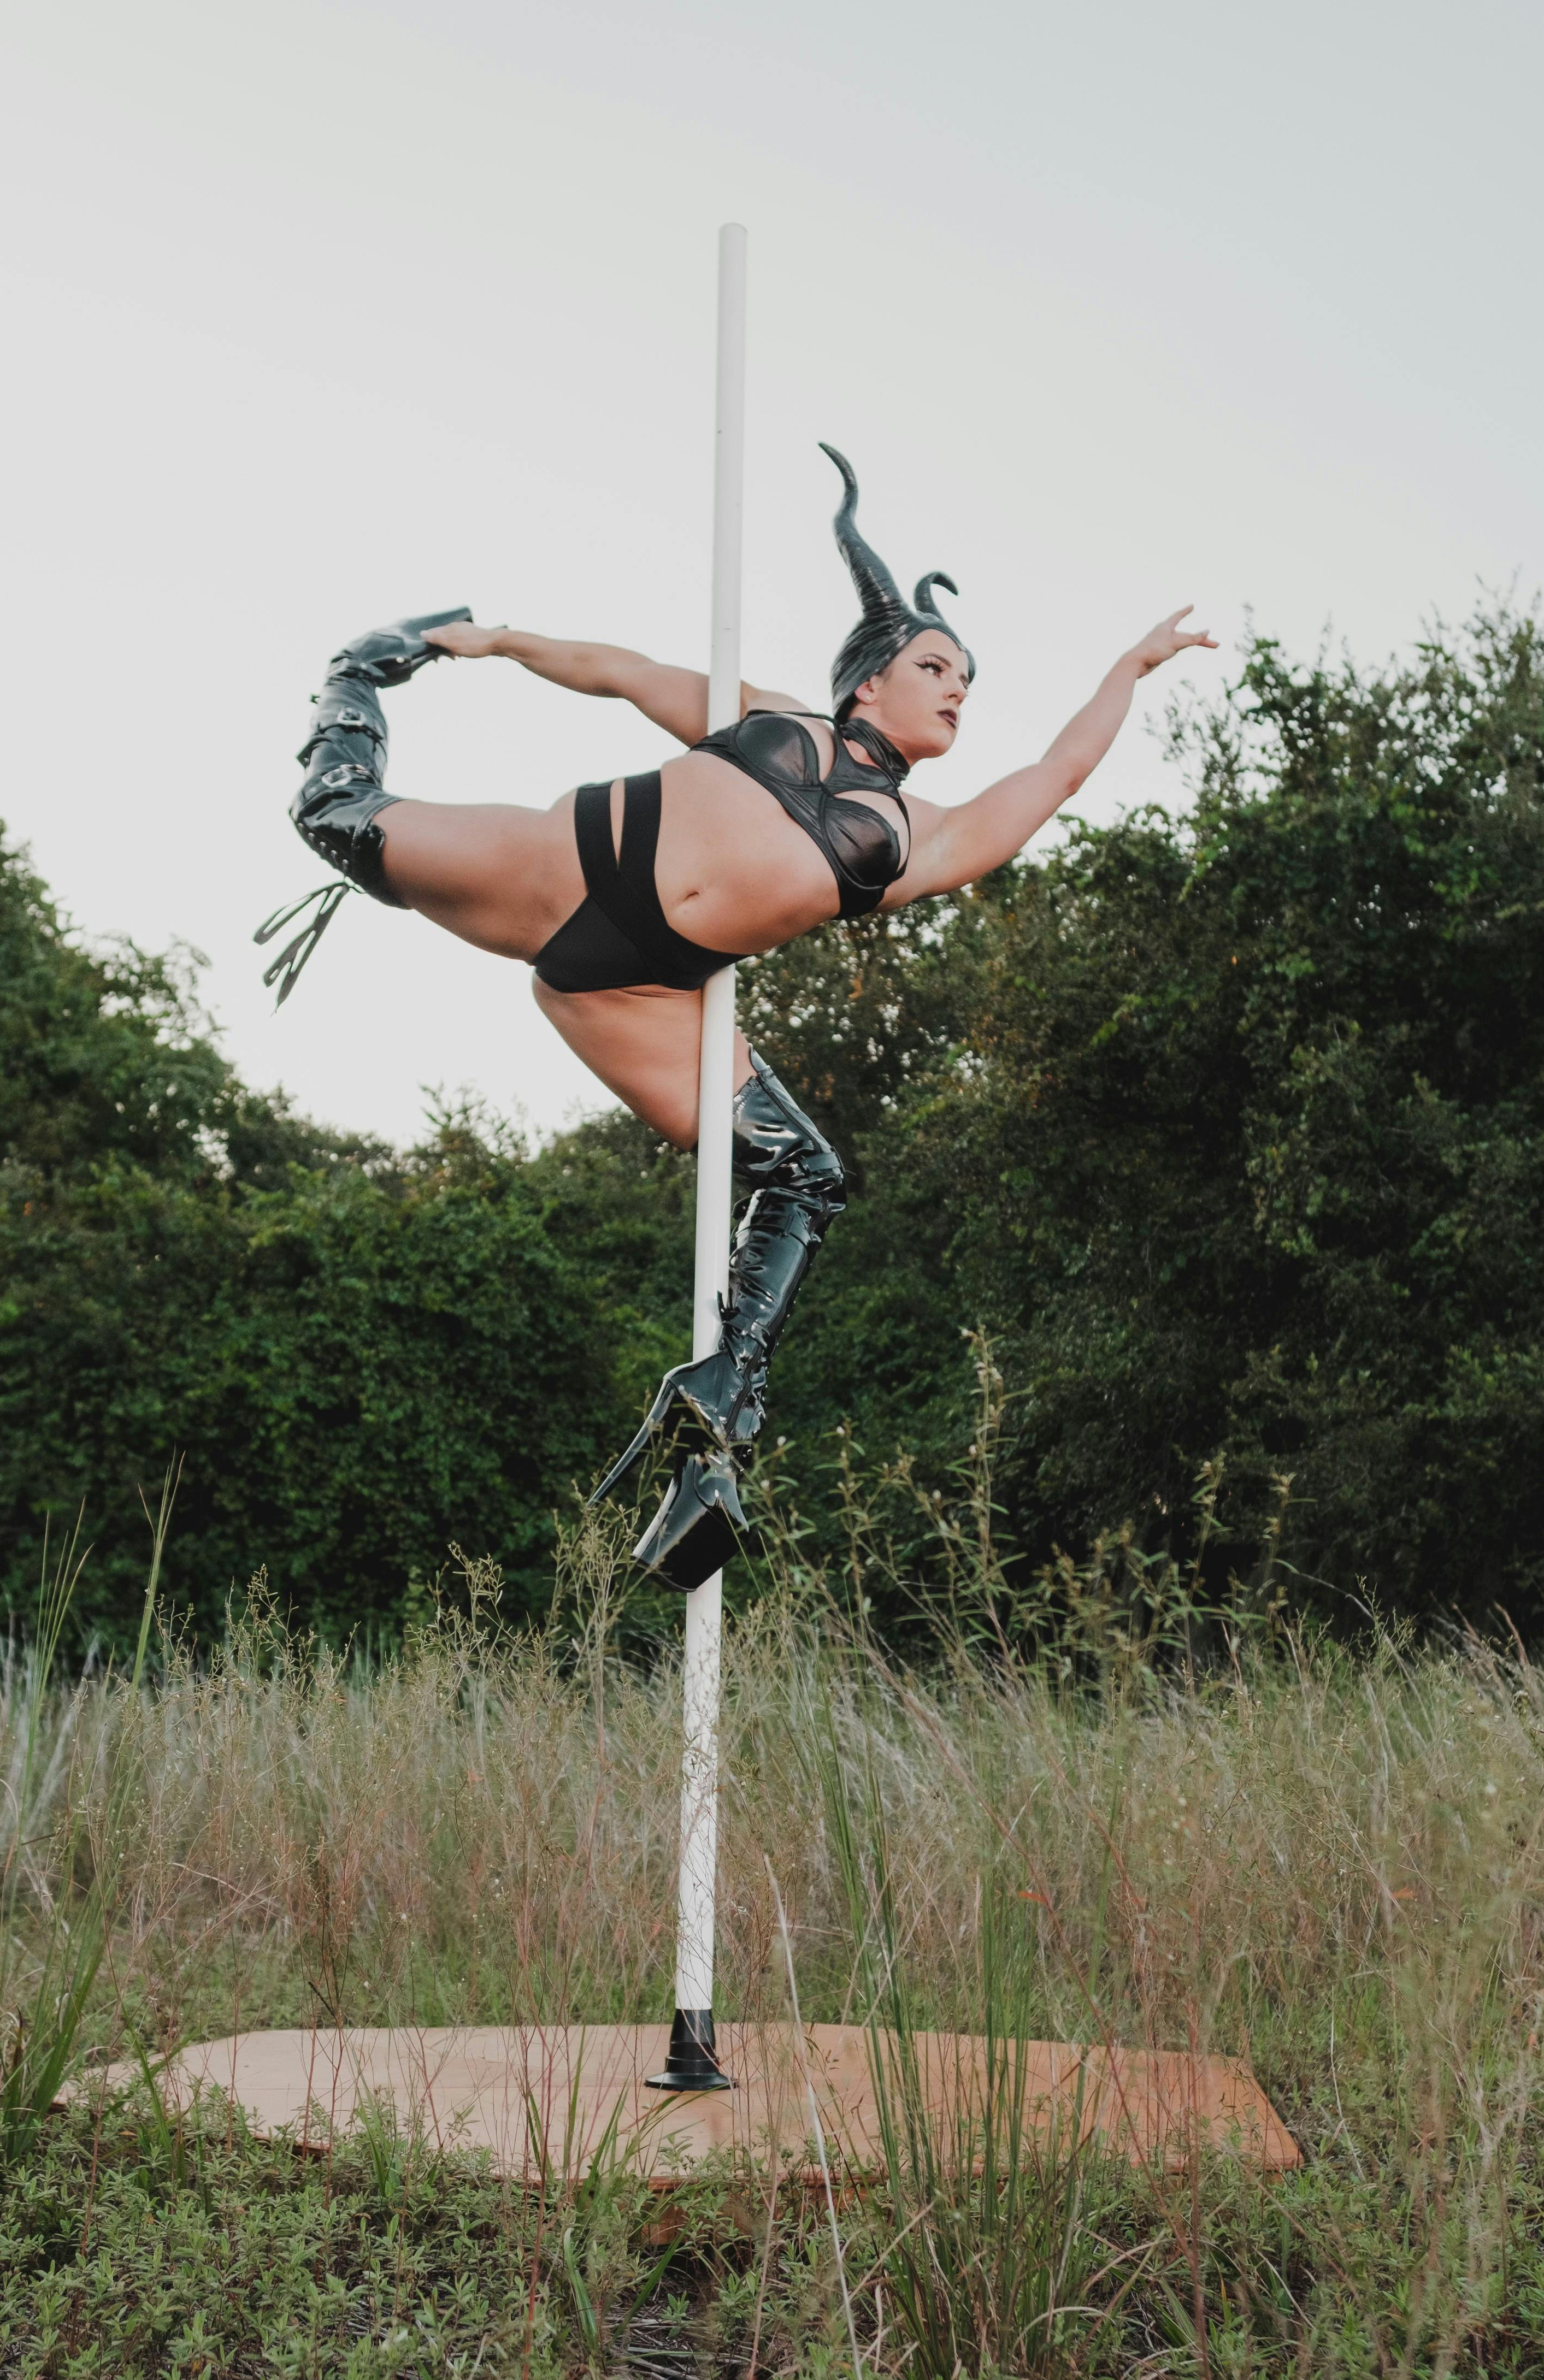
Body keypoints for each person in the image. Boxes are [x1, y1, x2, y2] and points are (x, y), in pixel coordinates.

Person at [257, 446, 1215, 1585]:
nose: (958, 690)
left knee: (806, 1175)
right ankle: (360, 660)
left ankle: (717, 1412)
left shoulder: (930, 839)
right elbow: (626, 672)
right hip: (559, 865)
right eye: (937, 666)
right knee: (333, 817)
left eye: (967, 680)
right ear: (870, 680)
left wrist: (1128, 665)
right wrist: (496, 640)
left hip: (635, 989)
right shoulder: (771, 719)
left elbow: (1057, 771)